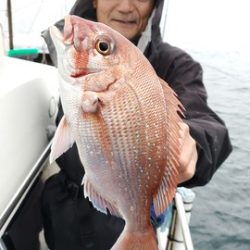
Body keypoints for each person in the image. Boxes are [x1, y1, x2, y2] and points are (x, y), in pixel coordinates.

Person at [41, 0, 232, 249]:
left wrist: (193, 144)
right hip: (60, 213)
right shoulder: (69, 50)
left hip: (116, 225)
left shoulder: (175, 65)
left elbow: (210, 127)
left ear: (154, 6)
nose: (126, 6)